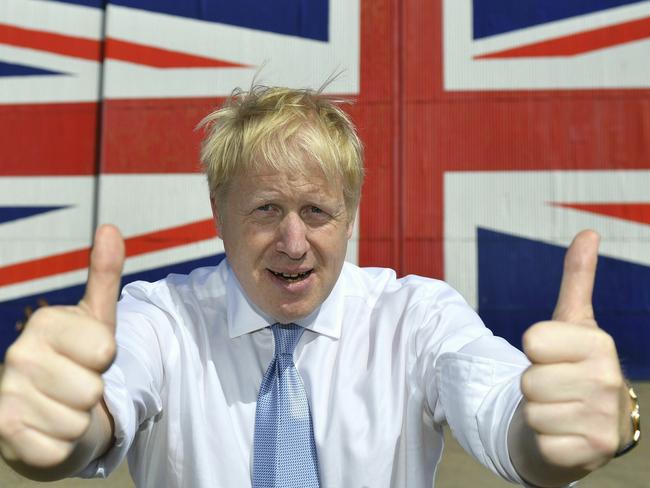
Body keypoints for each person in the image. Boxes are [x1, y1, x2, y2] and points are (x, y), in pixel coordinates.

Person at [0, 85, 640, 487]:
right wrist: (61, 434)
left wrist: (558, 436)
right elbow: (97, 416)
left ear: (351, 215)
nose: (293, 242)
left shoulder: (415, 317)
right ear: (219, 213)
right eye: (264, 211)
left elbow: (506, 419)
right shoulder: (159, 317)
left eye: (317, 212)